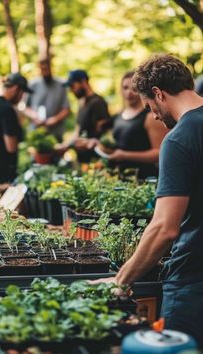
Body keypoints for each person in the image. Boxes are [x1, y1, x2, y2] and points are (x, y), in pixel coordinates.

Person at [90, 54, 203, 347]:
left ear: (158, 93)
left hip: (193, 283)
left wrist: (121, 279)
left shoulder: (179, 139)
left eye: (149, 106)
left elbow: (165, 227)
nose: (153, 115)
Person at [108, 71, 167, 179]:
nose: (129, 92)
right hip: (119, 179)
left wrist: (125, 156)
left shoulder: (151, 117)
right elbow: (116, 147)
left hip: (143, 180)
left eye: (134, 89)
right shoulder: (118, 116)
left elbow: (160, 153)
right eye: (125, 88)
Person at [0, 73, 32, 186]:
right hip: (1, 178)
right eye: (22, 93)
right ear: (16, 88)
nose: (21, 97)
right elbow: (11, 147)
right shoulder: (7, 110)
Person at [62, 69, 111, 162]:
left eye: (72, 86)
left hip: (96, 161)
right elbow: (77, 131)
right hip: (82, 160)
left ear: (83, 82)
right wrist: (65, 145)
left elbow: (105, 136)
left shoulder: (98, 103)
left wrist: (89, 143)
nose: (71, 90)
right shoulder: (82, 103)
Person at [23, 58, 70, 142]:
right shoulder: (33, 84)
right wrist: (34, 116)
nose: (44, 72)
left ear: (51, 68)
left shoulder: (61, 85)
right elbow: (25, 107)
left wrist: (54, 120)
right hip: (37, 131)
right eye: (42, 69)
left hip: (56, 132)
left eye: (46, 69)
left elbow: (66, 109)